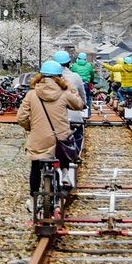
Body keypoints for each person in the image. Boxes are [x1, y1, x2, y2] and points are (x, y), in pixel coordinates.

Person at [16, 60, 85, 212]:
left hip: (38, 139)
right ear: (59, 77)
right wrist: (70, 87)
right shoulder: (64, 93)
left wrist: (31, 127)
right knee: (64, 147)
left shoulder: (31, 94)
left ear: (40, 76)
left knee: (35, 165)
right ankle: (66, 174)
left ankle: (33, 200)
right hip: (60, 138)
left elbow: (21, 118)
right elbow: (79, 105)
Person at [53, 50, 87, 183]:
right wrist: (83, 105)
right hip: (73, 116)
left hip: (54, 119)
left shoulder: (44, 81)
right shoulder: (75, 77)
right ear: (68, 63)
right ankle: (74, 156)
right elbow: (82, 96)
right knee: (77, 134)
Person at [70, 52, 96, 119]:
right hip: (85, 83)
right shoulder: (89, 65)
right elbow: (92, 74)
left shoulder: (74, 65)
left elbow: (71, 73)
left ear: (78, 58)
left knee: (75, 97)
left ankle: (75, 113)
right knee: (87, 98)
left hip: (75, 84)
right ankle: (88, 113)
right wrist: (92, 80)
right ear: (85, 59)